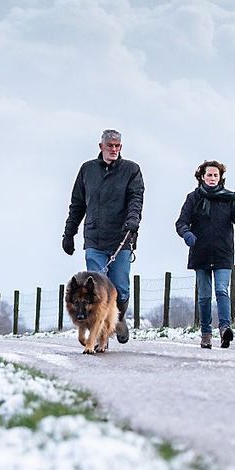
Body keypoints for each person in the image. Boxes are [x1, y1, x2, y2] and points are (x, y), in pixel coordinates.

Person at [62, 129, 144, 343]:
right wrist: (69, 233)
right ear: (101, 147)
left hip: (122, 238)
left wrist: (133, 219)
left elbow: (136, 198)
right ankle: (98, 337)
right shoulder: (87, 170)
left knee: (121, 289)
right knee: (96, 288)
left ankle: (118, 318)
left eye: (118, 146)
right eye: (110, 146)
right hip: (95, 238)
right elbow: (77, 205)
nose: (114, 149)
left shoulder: (131, 170)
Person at [175, 160, 235, 349]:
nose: (212, 178)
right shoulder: (193, 198)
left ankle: (225, 328)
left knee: (221, 290)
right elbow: (181, 222)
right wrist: (187, 234)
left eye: (215, 175)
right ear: (202, 177)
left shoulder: (229, 198)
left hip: (223, 253)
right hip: (200, 252)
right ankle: (206, 334)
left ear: (220, 178)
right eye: (209, 175)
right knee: (203, 296)